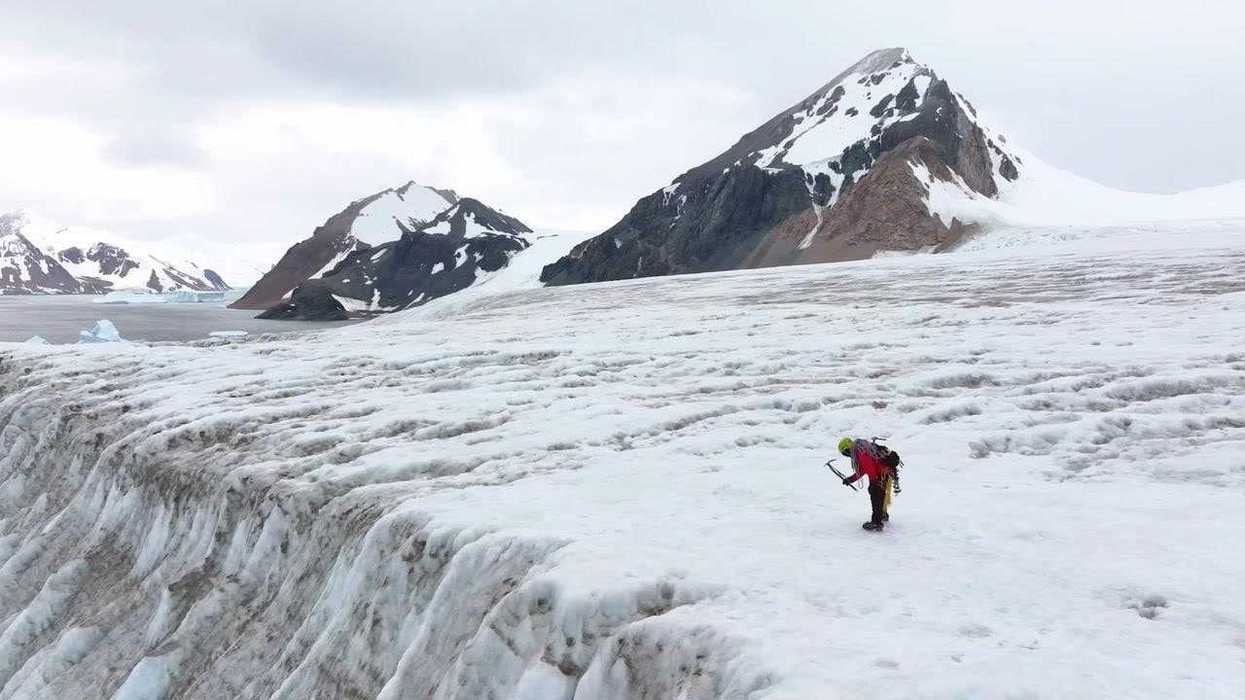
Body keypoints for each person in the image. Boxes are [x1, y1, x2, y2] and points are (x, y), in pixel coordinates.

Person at [838, 437, 895, 531]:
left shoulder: (860, 452)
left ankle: (876, 522)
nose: (848, 455)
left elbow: (870, 467)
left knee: (876, 494)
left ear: (847, 448)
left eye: (845, 453)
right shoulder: (862, 448)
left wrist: (874, 482)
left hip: (880, 474)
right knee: (880, 494)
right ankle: (883, 515)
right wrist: (851, 479)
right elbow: (863, 469)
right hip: (885, 472)